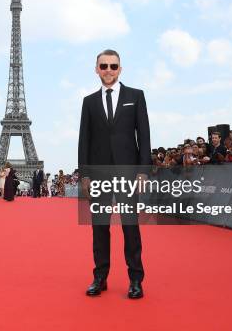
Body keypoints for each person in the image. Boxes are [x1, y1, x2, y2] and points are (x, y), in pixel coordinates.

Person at [78, 49, 150, 299]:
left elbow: (144, 135)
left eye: (113, 66)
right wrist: (85, 175)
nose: (108, 70)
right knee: (99, 228)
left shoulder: (136, 96)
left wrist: (143, 171)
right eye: (104, 66)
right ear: (96, 69)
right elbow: (83, 140)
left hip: (128, 173)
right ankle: (100, 277)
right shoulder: (88, 101)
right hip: (98, 174)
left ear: (120, 69)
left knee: (130, 227)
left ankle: (136, 279)